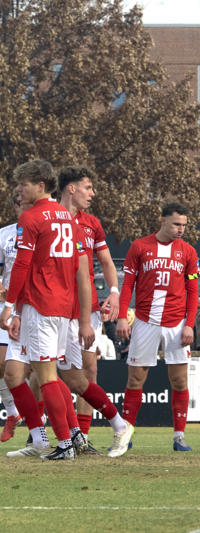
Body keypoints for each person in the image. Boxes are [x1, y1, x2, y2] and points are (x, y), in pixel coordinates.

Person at [0, 160, 95, 460]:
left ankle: (64, 443)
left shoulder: (31, 217)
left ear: (40, 185)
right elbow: (77, 266)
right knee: (47, 375)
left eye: (23, 184)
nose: (19, 189)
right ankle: (56, 439)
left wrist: (9, 305)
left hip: (40, 305)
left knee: (47, 377)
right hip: (61, 307)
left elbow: (22, 264)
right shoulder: (67, 218)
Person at [109, 202, 200, 457]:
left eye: (184, 225)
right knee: (136, 378)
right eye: (176, 224)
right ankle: (125, 434)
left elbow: (193, 292)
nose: (181, 229)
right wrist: (123, 318)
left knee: (179, 380)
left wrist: (189, 324)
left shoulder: (189, 252)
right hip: (145, 322)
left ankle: (179, 436)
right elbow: (128, 284)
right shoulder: (140, 247)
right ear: (162, 221)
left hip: (176, 324)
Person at [56, 167, 126, 454]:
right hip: (53, 309)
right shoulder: (49, 219)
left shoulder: (91, 224)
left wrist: (114, 293)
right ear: (71, 189)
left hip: (85, 310)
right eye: (88, 187)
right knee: (45, 374)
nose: (92, 193)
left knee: (87, 371)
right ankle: (43, 435)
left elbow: (107, 263)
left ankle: (80, 437)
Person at [0, 195, 26, 442]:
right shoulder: (4, 235)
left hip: (34, 306)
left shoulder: (43, 231)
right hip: (6, 307)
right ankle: (12, 413)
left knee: (31, 371)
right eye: (19, 202)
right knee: (2, 365)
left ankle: (37, 432)